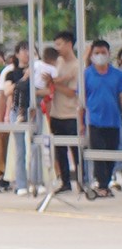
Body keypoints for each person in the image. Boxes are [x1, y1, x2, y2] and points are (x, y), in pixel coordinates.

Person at [83, 39, 120, 197]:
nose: (100, 56)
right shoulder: (86, 74)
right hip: (94, 121)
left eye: (103, 53)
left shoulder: (117, 75)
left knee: (111, 153)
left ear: (109, 54)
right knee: (98, 153)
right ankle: (102, 185)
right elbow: (82, 99)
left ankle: (105, 183)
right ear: (91, 55)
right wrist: (81, 122)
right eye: (96, 53)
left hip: (113, 120)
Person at [48, 33, 83, 196]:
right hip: (56, 113)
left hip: (70, 114)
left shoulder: (77, 66)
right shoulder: (58, 62)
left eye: (60, 44)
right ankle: (65, 182)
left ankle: (82, 182)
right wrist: (57, 81)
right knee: (60, 151)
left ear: (69, 44)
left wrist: (54, 83)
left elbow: (72, 92)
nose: (57, 48)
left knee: (76, 151)